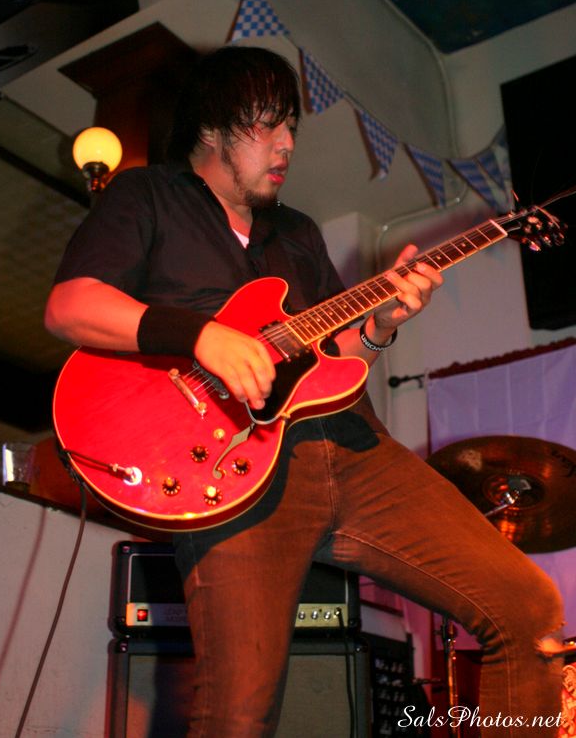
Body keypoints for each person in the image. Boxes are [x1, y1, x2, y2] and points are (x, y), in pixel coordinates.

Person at [45, 45, 565, 736]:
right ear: (213, 129)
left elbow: (337, 364)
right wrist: (201, 336)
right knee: (238, 717)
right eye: (267, 125)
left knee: (527, 609)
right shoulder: (149, 197)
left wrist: (380, 324)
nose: (287, 143)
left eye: (291, 126)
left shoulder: (298, 233)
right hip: (234, 476)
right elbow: (71, 306)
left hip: (355, 452)